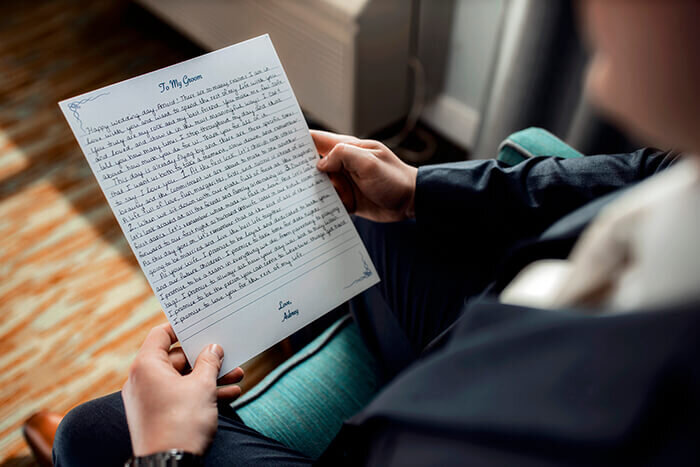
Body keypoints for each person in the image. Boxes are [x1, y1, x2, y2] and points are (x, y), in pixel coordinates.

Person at [52, 0, 700, 465]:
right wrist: (421, 189)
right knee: (365, 219)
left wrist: (165, 451)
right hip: (502, 322)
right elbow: (647, 170)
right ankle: (301, 324)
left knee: (89, 435)